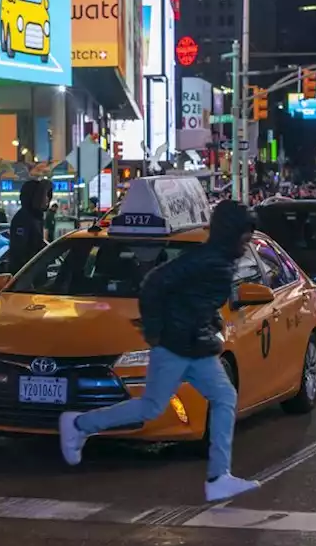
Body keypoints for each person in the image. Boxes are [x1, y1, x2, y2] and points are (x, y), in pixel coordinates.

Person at [58, 200, 260, 503]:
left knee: (224, 397)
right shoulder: (208, 260)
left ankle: (219, 477)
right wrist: (155, 332)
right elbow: (154, 283)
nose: (248, 244)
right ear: (232, 234)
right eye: (245, 237)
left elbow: (196, 300)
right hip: (176, 345)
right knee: (152, 407)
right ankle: (78, 424)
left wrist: (209, 323)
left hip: (195, 345)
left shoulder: (219, 260)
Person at [6, 180, 50, 273]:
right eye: (44, 195)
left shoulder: (36, 217)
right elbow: (19, 253)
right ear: (35, 197)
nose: (47, 199)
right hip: (27, 278)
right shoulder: (23, 219)